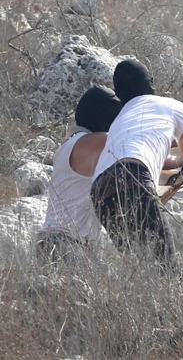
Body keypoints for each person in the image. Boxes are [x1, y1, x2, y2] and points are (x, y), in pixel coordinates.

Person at [90, 59, 183, 268]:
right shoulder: (172, 106)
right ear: (150, 82)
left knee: (141, 265)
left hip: (100, 190)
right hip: (133, 176)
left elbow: (163, 146)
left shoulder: (122, 118)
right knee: (165, 268)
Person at [37, 85, 124, 265]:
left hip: (56, 244)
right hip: (65, 244)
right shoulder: (92, 142)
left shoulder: (72, 144)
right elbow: (135, 140)